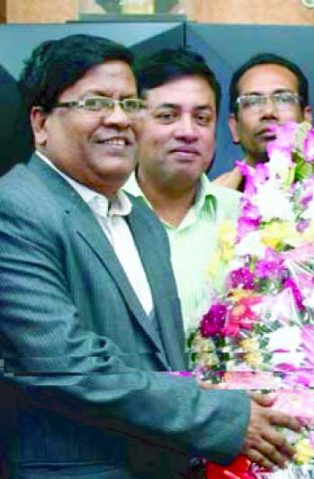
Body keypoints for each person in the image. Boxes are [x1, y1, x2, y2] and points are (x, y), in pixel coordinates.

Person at [0, 34, 301, 479]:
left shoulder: (139, 220)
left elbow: (165, 364)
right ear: (40, 123)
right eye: (95, 102)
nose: (118, 118)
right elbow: (65, 363)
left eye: (129, 103)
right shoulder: (15, 208)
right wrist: (219, 417)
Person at [121, 48, 240, 336]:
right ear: (132, 122)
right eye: (167, 116)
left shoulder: (249, 217)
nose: (188, 132)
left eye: (202, 118)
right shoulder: (100, 213)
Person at [213, 53, 312, 191]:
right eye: (252, 102)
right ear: (234, 127)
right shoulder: (213, 202)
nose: (268, 112)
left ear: (307, 119)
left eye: (283, 99)